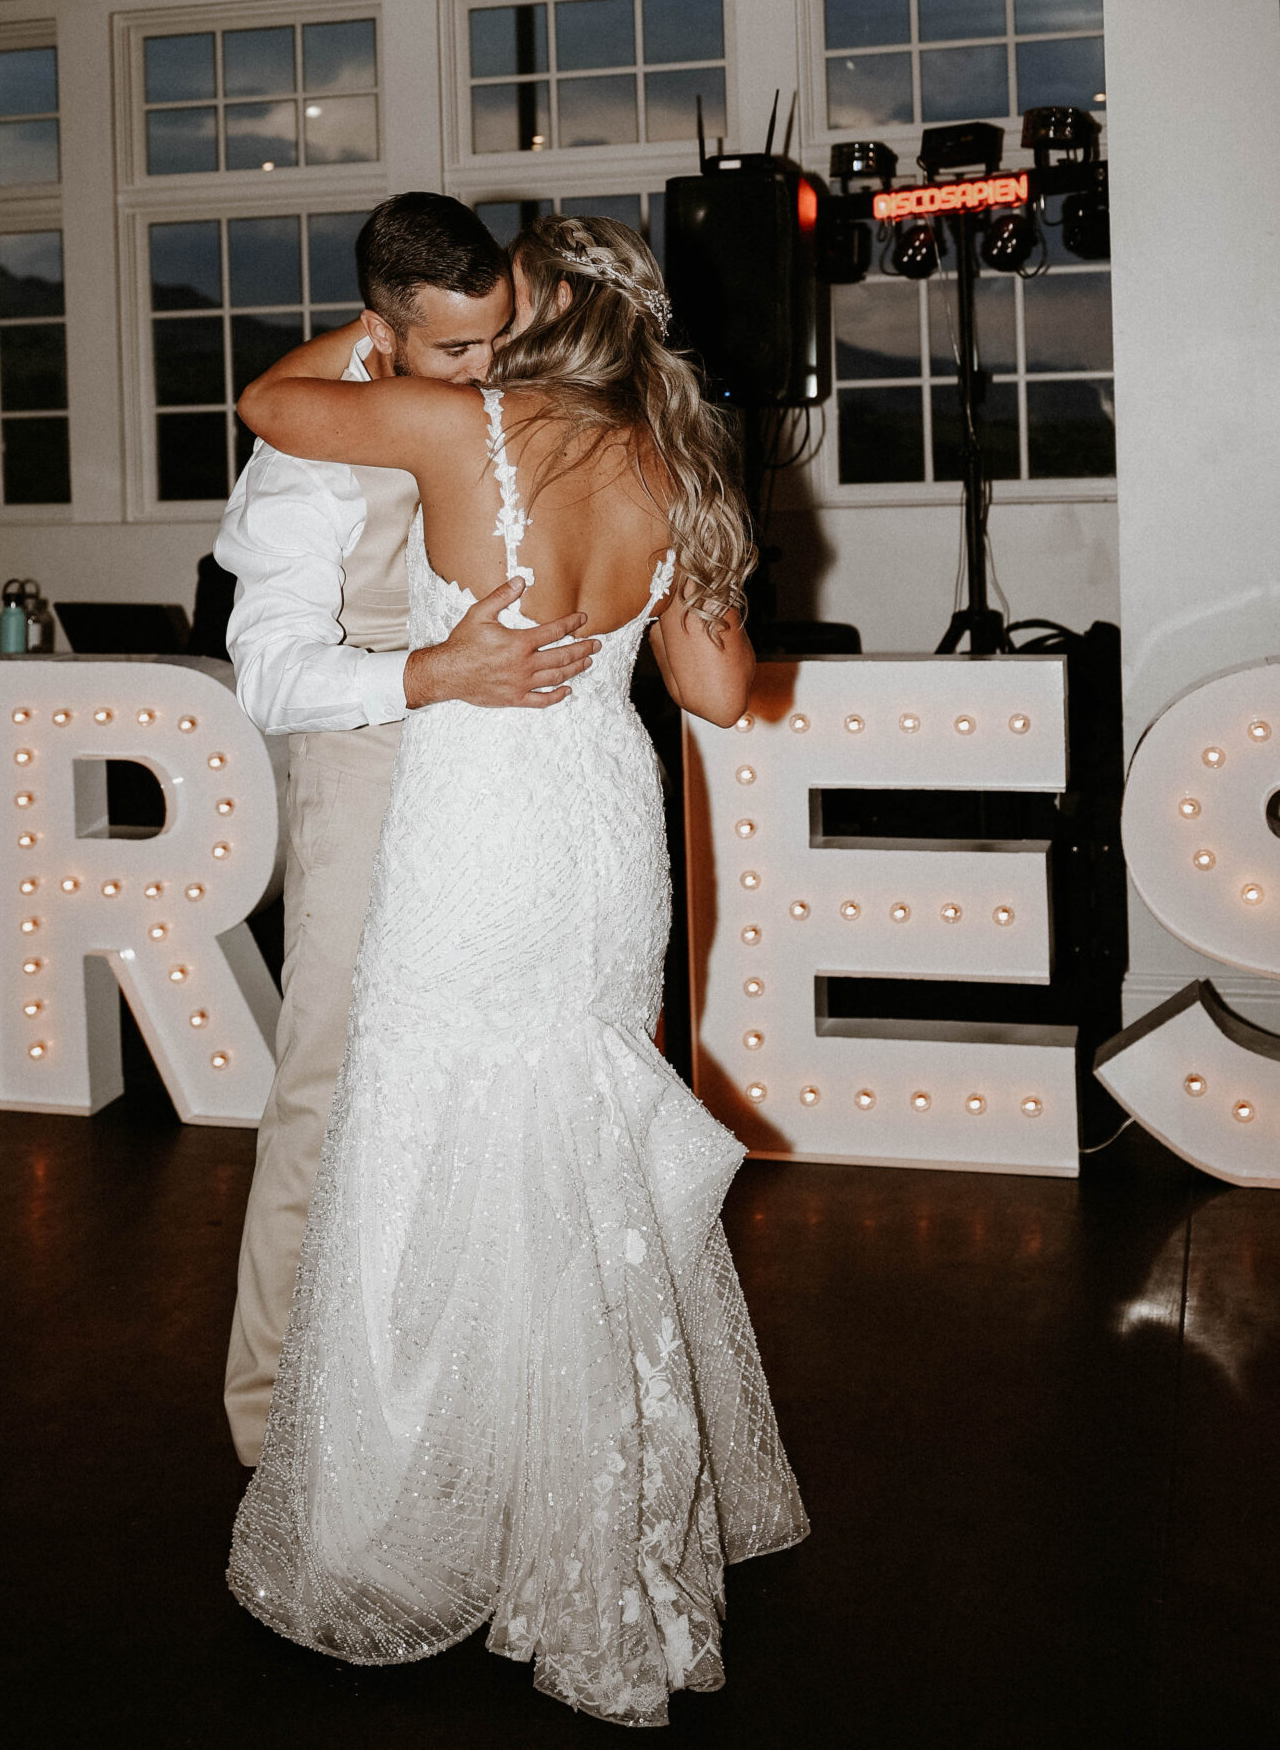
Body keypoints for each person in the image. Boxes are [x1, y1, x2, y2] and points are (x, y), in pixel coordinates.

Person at [226, 213, 807, 1728]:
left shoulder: (454, 421)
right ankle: (589, 1511)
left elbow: (267, 407)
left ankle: (440, 1508)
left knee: (432, 1142)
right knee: (580, 1151)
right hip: (604, 831)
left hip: (473, 828)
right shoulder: (675, 463)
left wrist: (395, 338)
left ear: (531, 321)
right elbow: (718, 692)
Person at [216, 194, 605, 1470]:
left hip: (487, 781)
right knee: (326, 1089)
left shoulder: (491, 406)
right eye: (454, 352)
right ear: (379, 333)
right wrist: (434, 676)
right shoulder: (309, 453)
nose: (484, 377)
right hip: (370, 769)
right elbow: (268, 678)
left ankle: (436, 1392)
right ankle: (271, 1424)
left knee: (467, 1090)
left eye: (498, 342)